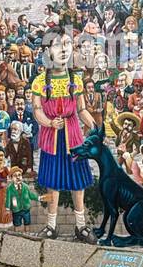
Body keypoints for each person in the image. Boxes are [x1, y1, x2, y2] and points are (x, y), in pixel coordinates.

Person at [30, 29, 96, 243]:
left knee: (78, 181)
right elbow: (37, 110)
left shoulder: (75, 79)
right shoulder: (40, 81)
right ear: (48, 50)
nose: (64, 49)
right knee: (53, 183)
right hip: (51, 137)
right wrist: (49, 122)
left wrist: (95, 128)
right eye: (58, 44)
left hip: (73, 135)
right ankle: (51, 226)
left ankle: (80, 226)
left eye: (67, 44)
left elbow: (82, 109)